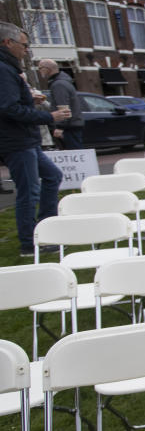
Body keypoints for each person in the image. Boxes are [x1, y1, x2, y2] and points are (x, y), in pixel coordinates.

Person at [0, 22, 69, 256]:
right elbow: (8, 109)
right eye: (24, 45)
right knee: (29, 192)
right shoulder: (3, 69)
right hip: (17, 141)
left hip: (25, 140)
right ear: (7, 43)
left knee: (53, 176)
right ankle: (30, 243)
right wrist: (48, 116)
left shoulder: (9, 68)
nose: (26, 50)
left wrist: (31, 101)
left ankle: (46, 228)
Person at [37, 59, 84, 149]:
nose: (39, 71)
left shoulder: (58, 84)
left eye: (40, 68)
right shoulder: (62, 82)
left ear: (47, 69)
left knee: (74, 153)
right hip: (71, 125)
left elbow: (63, 106)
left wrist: (60, 127)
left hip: (69, 127)